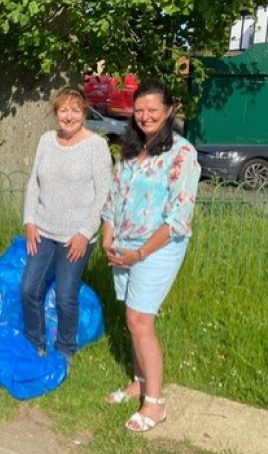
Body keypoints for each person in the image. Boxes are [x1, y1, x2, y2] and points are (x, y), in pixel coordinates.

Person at [101, 79, 201, 433]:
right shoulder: (130, 150)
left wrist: (140, 253)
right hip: (124, 247)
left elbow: (178, 218)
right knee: (131, 320)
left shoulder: (182, 154)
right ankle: (139, 381)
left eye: (153, 111)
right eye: (139, 110)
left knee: (140, 322)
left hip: (156, 249)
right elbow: (114, 198)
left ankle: (155, 404)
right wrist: (107, 239)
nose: (145, 117)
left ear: (169, 111)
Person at [21, 87, 112, 363]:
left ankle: (65, 349)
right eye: (63, 110)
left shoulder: (96, 146)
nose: (69, 116)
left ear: (84, 112)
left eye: (75, 110)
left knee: (65, 295)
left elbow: (103, 194)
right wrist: (30, 221)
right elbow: (33, 185)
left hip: (76, 237)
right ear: (56, 113)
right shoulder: (46, 140)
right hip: (44, 231)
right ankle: (35, 342)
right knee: (28, 289)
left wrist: (85, 234)